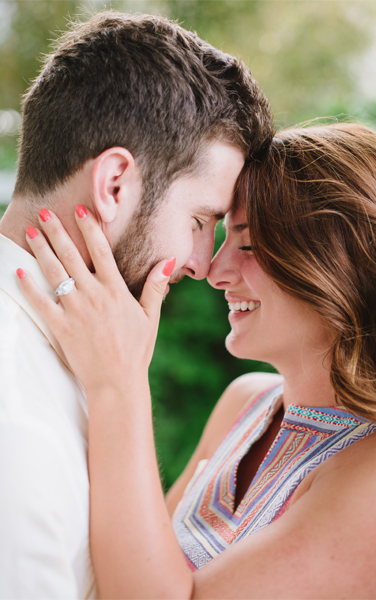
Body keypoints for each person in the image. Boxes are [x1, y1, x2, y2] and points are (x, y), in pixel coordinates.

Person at [17, 122, 376, 598]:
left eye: (250, 245)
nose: (214, 271)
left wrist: (120, 382)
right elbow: (130, 559)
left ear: (337, 263)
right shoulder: (243, 403)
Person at [0, 11, 271, 599]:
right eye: (201, 221)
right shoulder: (14, 405)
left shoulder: (86, 356)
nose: (204, 264)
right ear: (114, 184)